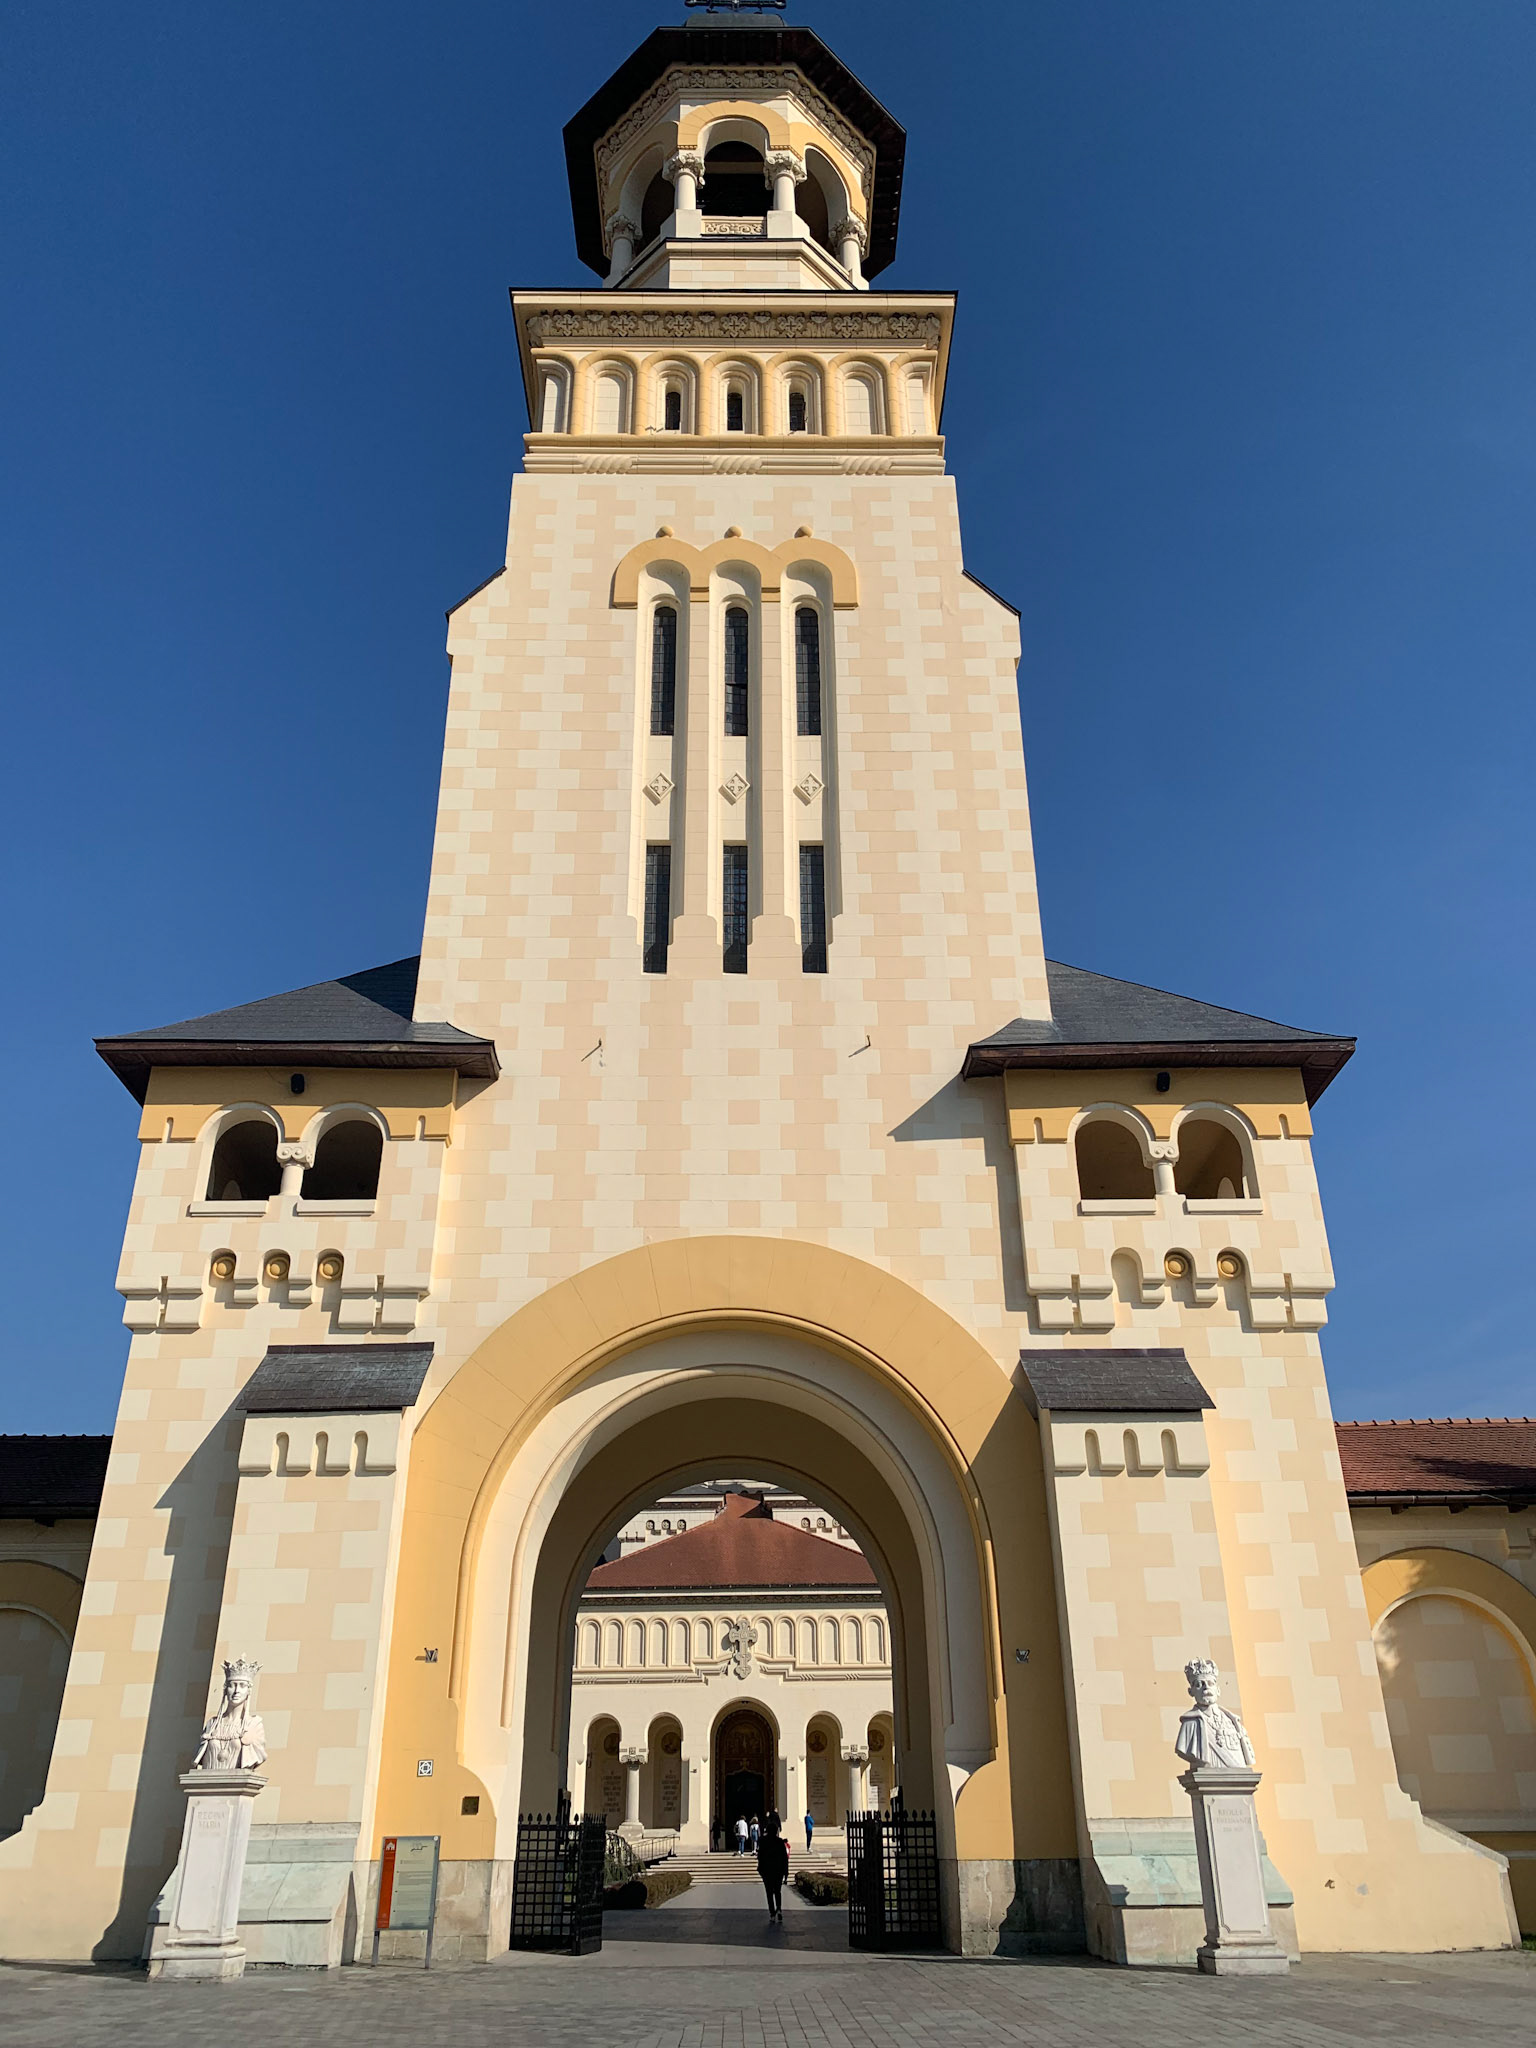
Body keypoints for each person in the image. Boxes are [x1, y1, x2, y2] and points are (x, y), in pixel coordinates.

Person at [758, 1812, 790, 1923]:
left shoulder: (763, 1842)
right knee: (777, 1891)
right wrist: (786, 1872)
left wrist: (760, 1870)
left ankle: (772, 1913)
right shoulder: (780, 1842)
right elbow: (784, 1858)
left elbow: (760, 1857)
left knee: (769, 1893)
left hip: (767, 1871)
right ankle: (779, 1909)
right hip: (778, 1871)